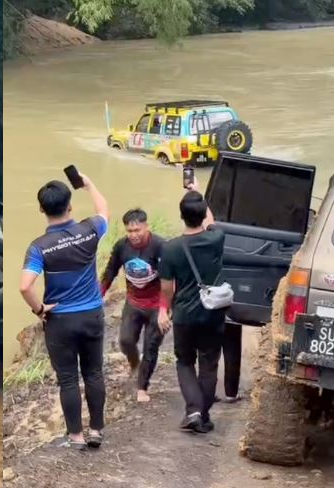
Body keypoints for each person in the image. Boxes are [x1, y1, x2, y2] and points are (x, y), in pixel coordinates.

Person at [20, 174, 109, 449]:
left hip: (60, 321)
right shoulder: (90, 230)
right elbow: (104, 211)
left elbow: (25, 287)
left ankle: (76, 436)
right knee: (94, 373)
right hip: (92, 314)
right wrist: (88, 184)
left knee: (68, 379)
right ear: (70, 206)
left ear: (41, 210)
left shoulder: (39, 247)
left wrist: (40, 310)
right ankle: (96, 430)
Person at [158, 179, 225, 433]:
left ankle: (194, 411)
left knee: (185, 361)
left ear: (181, 216)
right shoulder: (216, 238)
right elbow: (211, 220)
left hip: (185, 314)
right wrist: (196, 191)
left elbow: (166, 287)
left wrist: (164, 309)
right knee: (208, 362)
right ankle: (203, 416)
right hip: (213, 313)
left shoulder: (171, 248)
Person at [99, 208, 165, 403]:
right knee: (126, 341)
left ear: (147, 227)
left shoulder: (161, 246)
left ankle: (142, 387)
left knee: (151, 347)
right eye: (130, 231)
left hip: (157, 304)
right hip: (134, 302)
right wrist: (99, 295)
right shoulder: (122, 247)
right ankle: (134, 364)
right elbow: (110, 271)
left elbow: (171, 280)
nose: (134, 235)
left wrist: (164, 309)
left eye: (138, 230)